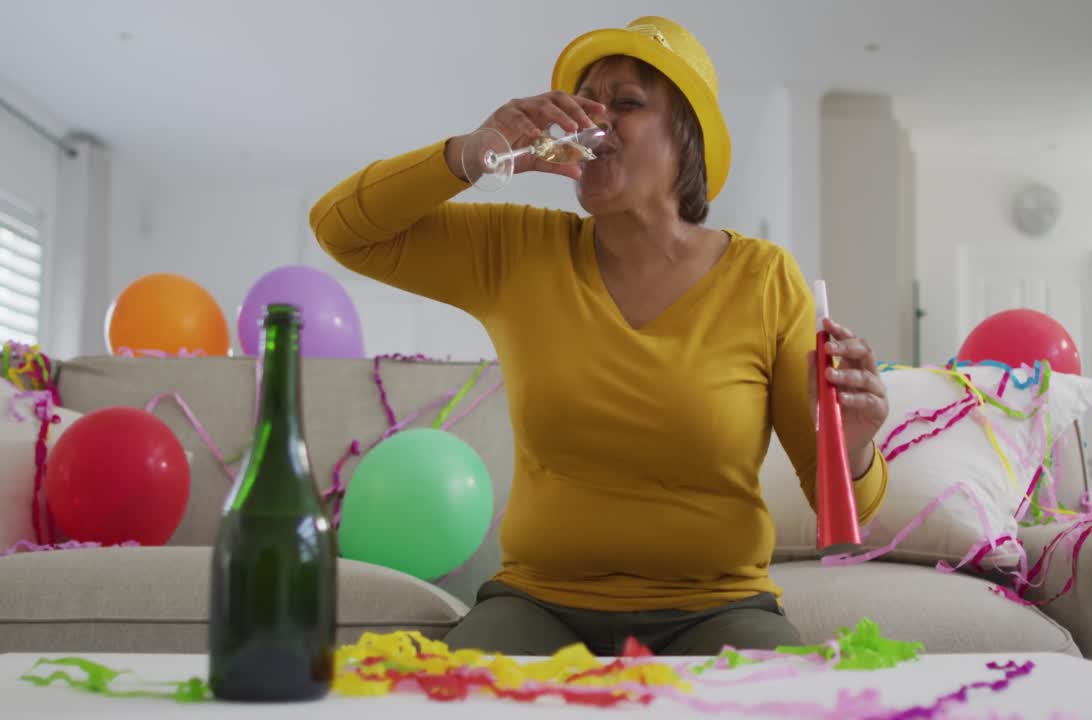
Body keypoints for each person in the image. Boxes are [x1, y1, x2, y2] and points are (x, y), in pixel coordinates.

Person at [310, 16, 890, 656]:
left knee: (782, 693)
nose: (593, 119)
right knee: (457, 694)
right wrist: (472, 154)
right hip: (538, 604)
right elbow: (342, 232)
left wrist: (854, 448)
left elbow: (844, 514)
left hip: (717, 607)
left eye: (627, 103)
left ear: (686, 139)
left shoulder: (765, 278)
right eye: (586, 101)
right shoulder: (519, 250)